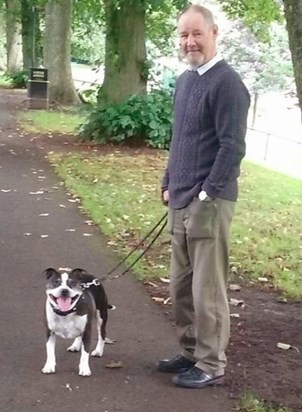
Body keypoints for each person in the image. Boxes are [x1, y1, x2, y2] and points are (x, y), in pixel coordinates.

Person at [157, 4, 250, 389]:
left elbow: (233, 147)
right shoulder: (185, 80)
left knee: (206, 289)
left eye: (197, 33)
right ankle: (190, 352)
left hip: (210, 203)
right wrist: (167, 181)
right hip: (179, 198)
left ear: (214, 34)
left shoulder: (228, 84)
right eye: (183, 35)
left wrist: (208, 193)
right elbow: (180, 141)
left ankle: (211, 363)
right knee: (180, 287)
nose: (190, 41)